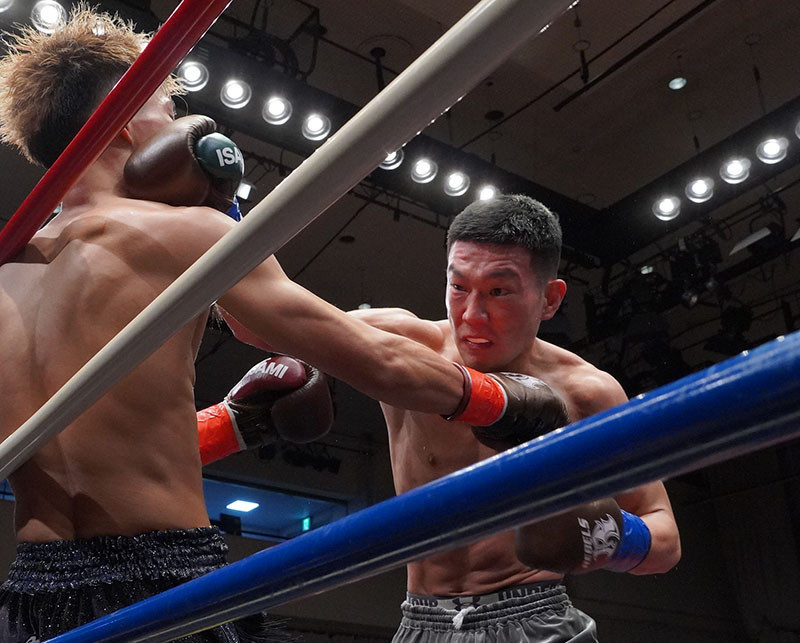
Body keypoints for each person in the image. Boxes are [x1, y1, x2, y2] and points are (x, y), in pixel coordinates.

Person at [0, 9, 569, 642]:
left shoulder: (8, 275)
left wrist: (228, 425)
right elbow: (370, 359)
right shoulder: (185, 232)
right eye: (166, 106)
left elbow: (83, 438)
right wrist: (500, 401)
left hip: (31, 594)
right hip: (161, 579)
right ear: (128, 122)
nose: (181, 121)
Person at [344, 195, 683, 641]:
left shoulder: (586, 393)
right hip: (419, 623)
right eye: (458, 287)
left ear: (550, 299)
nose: (471, 314)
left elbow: (665, 540)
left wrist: (606, 535)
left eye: (498, 291)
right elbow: (283, 320)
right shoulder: (405, 349)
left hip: (536, 619)